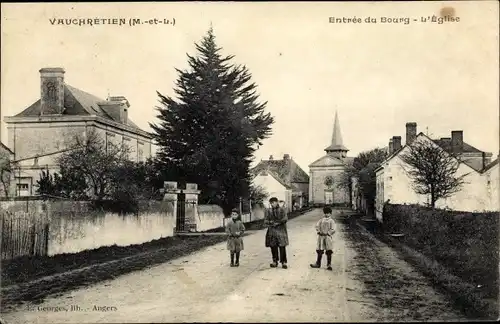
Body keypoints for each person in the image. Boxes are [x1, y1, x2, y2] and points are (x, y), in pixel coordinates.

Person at [264, 197, 289, 269]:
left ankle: (283, 262)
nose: (272, 204)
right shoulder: (268, 211)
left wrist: (278, 223)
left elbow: (285, 218)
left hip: (281, 230)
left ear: (277, 202)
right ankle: (275, 261)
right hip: (272, 231)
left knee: (282, 246)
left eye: (273, 202)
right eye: (271, 203)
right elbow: (265, 220)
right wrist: (270, 222)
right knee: (273, 246)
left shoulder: (282, 210)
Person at [310, 206, 336, 271]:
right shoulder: (321, 220)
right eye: (325, 213)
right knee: (319, 250)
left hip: (327, 237)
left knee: (329, 250)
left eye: (328, 213)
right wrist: (319, 231)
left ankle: (329, 264)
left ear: (330, 214)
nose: (326, 214)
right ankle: (318, 263)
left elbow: (333, 229)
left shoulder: (331, 221)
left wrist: (328, 233)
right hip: (321, 237)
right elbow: (317, 226)